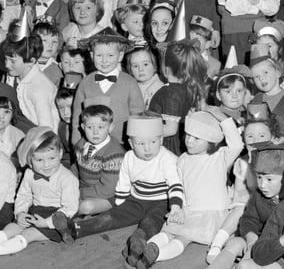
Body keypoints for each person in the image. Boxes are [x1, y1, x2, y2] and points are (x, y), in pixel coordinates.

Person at [55, 115, 185, 267]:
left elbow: (175, 184)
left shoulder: (167, 158)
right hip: (136, 199)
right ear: (131, 143)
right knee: (111, 217)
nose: (147, 148)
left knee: (152, 221)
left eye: (153, 142)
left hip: (162, 202)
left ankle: (138, 242)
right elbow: (124, 181)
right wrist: (119, 203)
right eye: (141, 143)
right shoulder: (129, 157)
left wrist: (175, 207)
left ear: (161, 140)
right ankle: (76, 229)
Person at [139, 108, 243, 268]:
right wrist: (178, 208)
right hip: (188, 211)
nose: (189, 141)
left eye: (196, 138)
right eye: (188, 135)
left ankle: (156, 257)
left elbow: (237, 143)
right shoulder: (183, 159)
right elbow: (179, 186)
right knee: (167, 231)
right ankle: (144, 251)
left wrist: (222, 118)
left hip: (209, 214)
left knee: (183, 238)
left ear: (211, 142)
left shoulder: (220, 157)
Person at [213, 142, 284, 268]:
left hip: (279, 250)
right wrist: (251, 238)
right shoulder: (258, 195)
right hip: (256, 239)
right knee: (234, 244)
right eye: (259, 177)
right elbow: (248, 219)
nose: (262, 185)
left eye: (269, 179)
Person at [0, 128, 78, 255]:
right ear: (30, 161)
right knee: (13, 227)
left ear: (60, 154)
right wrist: (20, 213)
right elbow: (23, 196)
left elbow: (70, 207)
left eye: (52, 158)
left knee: (29, 233)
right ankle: (2, 237)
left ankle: (4, 249)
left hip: (58, 216)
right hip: (35, 210)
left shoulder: (67, 178)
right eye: (39, 160)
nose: (46, 165)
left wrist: (47, 222)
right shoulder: (30, 173)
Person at [71, 27, 145, 145]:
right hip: (91, 144)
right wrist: (76, 144)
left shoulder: (130, 82)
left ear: (120, 56)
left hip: (123, 145)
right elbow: (77, 117)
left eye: (110, 55)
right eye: (99, 55)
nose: (104, 60)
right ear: (91, 55)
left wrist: (136, 143)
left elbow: (138, 115)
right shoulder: (85, 83)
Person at [148, 40, 207, 155]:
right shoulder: (187, 88)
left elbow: (170, 129)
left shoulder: (172, 93)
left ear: (167, 68)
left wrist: (145, 133)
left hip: (166, 147)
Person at [73, 102, 125, 215]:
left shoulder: (115, 154)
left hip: (110, 194)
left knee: (85, 207)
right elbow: (76, 167)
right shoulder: (80, 144)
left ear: (110, 127)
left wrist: (78, 193)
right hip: (84, 188)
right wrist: (67, 182)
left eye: (101, 127)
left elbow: (107, 189)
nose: (95, 132)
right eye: (90, 127)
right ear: (83, 127)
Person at [3, 35, 59, 130]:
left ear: (31, 61)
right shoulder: (12, 75)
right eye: (5, 59)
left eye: (12, 61)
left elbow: (47, 127)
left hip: (36, 135)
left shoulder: (40, 88)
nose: (6, 65)